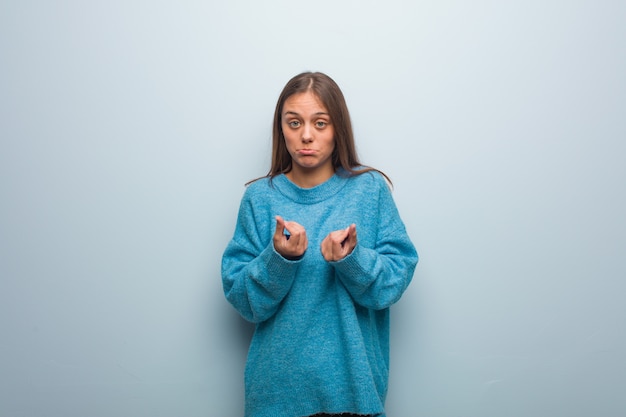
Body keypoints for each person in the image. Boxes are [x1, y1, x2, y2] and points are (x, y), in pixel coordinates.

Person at [221, 71, 418, 417]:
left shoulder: (369, 191)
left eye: (320, 123)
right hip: (274, 396)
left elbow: (393, 281)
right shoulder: (259, 199)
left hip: (353, 394)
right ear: (280, 128)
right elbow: (243, 300)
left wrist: (352, 259)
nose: (306, 135)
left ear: (337, 128)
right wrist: (277, 259)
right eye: (294, 123)